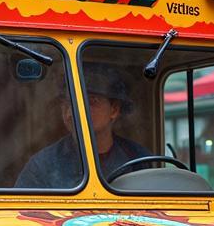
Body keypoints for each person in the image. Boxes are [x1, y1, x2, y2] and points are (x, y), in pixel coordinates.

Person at [17, 64, 149, 187]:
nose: (70, 113)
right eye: (66, 103)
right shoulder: (43, 166)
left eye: (91, 101)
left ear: (114, 109)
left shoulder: (138, 159)